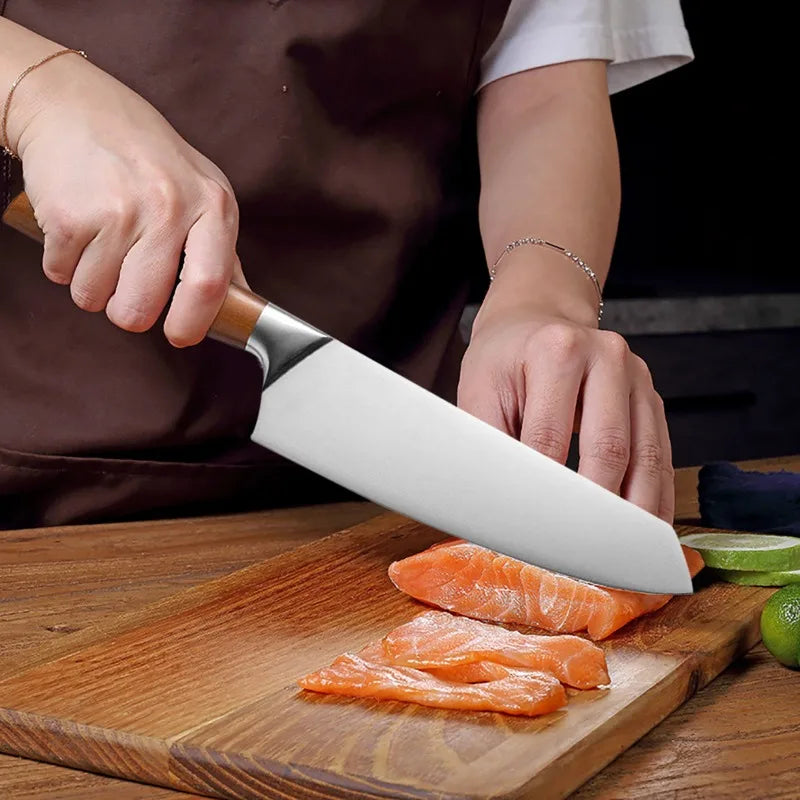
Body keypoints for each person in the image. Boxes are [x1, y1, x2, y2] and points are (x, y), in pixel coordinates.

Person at [0, 1, 693, 529]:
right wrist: (37, 90)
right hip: (29, 479)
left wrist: (543, 295)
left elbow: (543, 86)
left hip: (376, 493)